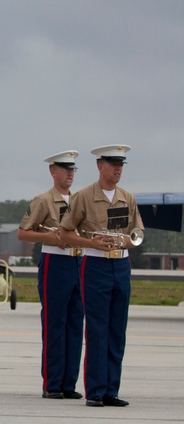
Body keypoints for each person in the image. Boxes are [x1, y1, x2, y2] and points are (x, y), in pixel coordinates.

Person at [58, 145, 143, 407]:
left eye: (121, 165)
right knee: (96, 329)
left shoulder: (127, 197)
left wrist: (126, 242)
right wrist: (94, 243)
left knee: (117, 330)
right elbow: (65, 233)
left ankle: (111, 390)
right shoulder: (83, 197)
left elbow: (137, 232)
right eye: (112, 164)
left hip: (121, 266)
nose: (117, 169)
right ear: (100, 166)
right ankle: (95, 390)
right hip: (95, 265)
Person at [17, 150, 84, 400]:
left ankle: (69, 383)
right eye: (64, 169)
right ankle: (53, 383)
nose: (69, 174)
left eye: (72, 169)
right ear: (52, 171)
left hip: (79, 261)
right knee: (55, 323)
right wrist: (50, 237)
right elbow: (24, 233)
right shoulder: (43, 200)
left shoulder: (80, 200)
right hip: (55, 262)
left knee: (76, 323)